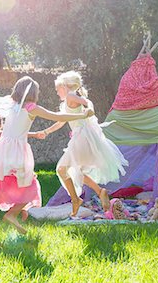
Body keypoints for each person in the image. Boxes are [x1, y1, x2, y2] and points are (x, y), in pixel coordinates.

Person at [0, 76, 94, 239]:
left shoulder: (10, 105)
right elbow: (58, 116)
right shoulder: (31, 108)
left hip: (1, 151)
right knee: (30, 186)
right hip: (17, 152)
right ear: (33, 93)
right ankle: (11, 214)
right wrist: (82, 115)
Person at [39, 71, 128, 216]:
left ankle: (75, 199)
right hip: (80, 137)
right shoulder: (68, 101)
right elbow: (61, 121)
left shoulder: (71, 95)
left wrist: (90, 109)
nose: (57, 92)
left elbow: (87, 102)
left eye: (57, 89)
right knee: (76, 171)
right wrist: (46, 131)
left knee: (62, 169)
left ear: (65, 86)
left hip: (80, 137)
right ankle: (100, 191)